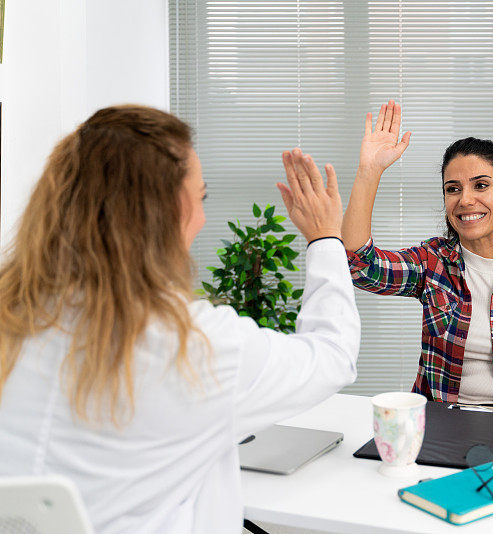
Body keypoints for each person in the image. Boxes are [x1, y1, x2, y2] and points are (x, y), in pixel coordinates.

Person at [0, 105, 359, 534]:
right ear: (171, 210)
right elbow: (333, 355)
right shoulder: (190, 345)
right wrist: (324, 238)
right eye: (201, 198)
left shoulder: (14, 318)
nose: (203, 218)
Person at [343, 100, 493, 414]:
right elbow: (358, 266)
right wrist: (369, 170)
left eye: (481, 185)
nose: (465, 200)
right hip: (439, 425)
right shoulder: (432, 263)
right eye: (452, 189)